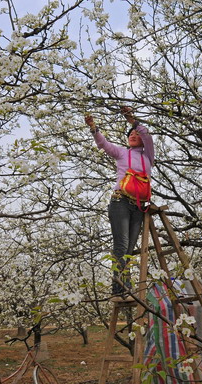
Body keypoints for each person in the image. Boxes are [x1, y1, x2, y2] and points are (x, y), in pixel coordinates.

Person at [85, 106, 155, 298]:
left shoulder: (148, 155)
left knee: (130, 248)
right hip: (120, 202)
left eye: (136, 134)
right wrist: (94, 128)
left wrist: (132, 120)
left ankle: (126, 284)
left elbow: (147, 135)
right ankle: (119, 288)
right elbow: (104, 145)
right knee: (121, 245)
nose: (133, 135)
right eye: (130, 134)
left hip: (139, 206)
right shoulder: (123, 153)